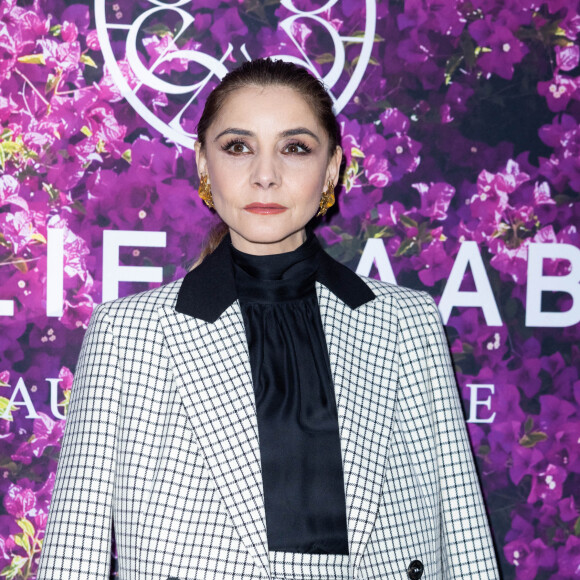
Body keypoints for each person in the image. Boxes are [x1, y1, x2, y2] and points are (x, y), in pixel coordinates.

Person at [37, 58, 499, 580]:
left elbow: (462, 530)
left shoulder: (408, 322)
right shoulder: (127, 333)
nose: (265, 175)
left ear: (331, 169)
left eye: (294, 148)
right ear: (203, 165)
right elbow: (75, 548)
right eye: (238, 147)